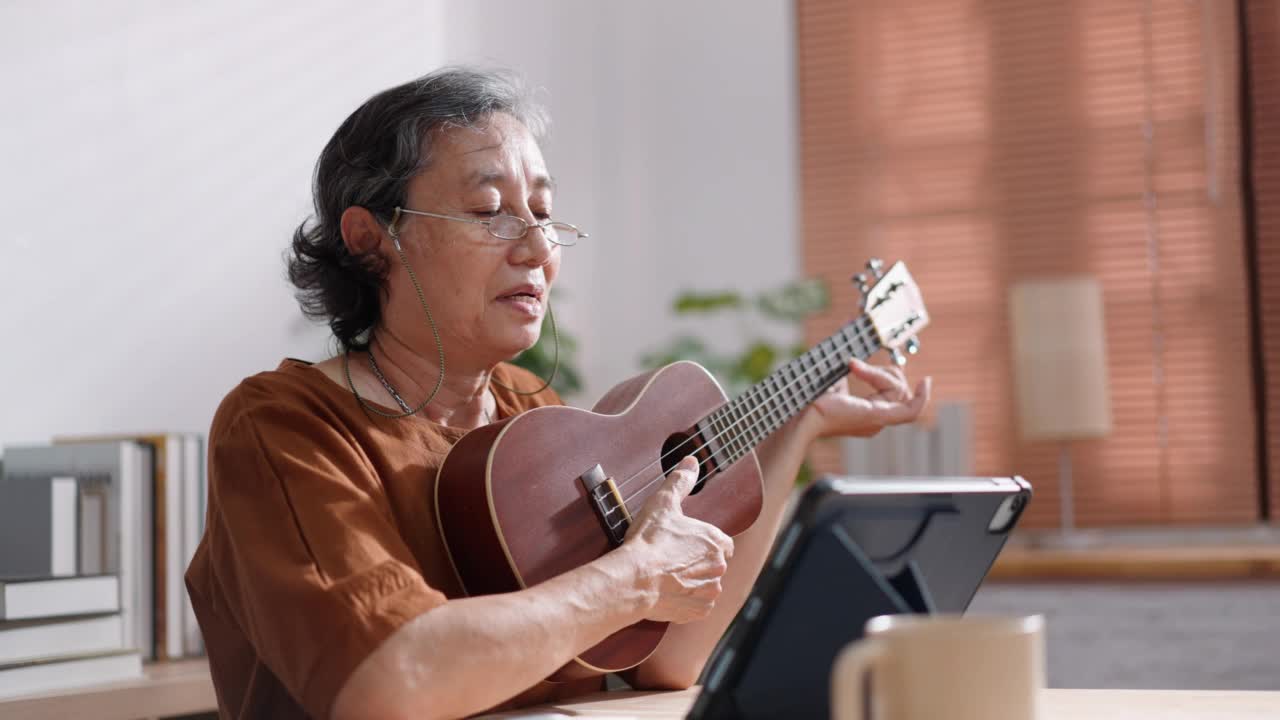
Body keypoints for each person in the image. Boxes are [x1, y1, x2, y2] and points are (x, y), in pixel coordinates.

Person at [184, 66, 931, 720]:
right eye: (488, 212)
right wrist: (632, 577)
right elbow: (391, 682)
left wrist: (794, 428)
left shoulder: (530, 418)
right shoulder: (282, 426)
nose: (539, 248)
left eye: (543, 214)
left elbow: (667, 662)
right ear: (372, 239)